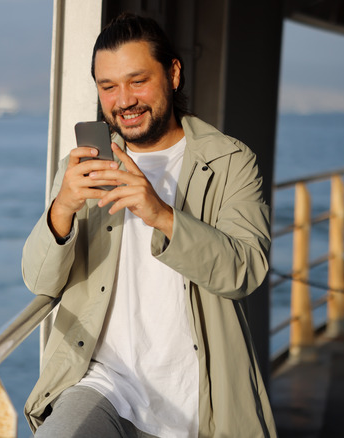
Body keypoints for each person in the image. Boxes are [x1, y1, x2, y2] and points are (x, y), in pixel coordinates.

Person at [21, 13, 276, 438]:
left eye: (137, 81)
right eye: (108, 87)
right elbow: (38, 280)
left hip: (196, 395)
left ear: (173, 74)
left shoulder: (230, 161)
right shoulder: (82, 166)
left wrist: (160, 213)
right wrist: (62, 205)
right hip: (103, 382)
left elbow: (245, 270)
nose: (124, 100)